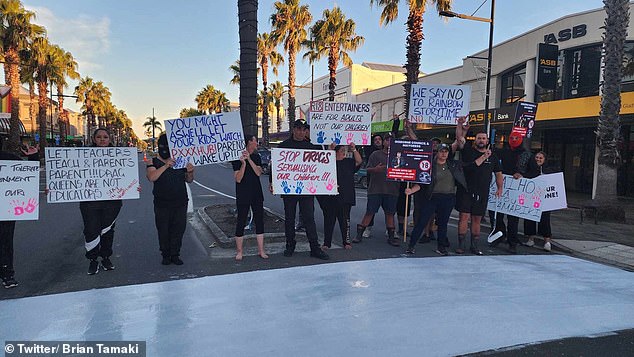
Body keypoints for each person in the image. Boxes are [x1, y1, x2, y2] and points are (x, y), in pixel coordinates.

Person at [270, 119, 329, 260]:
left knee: (309, 218)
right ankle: (290, 245)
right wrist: (272, 182)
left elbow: (323, 166)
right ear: (294, 129)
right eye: (299, 129)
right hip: (289, 190)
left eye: (304, 129)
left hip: (307, 191)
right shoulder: (283, 146)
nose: (302, 132)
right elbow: (276, 166)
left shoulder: (313, 147)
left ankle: (314, 247)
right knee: (289, 219)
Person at [404, 143, 468, 255]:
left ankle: (441, 247)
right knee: (422, 222)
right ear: (437, 153)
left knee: (443, 224)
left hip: (448, 198)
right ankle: (411, 245)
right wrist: (411, 190)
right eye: (441, 151)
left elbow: (471, 165)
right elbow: (422, 182)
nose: (444, 154)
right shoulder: (430, 166)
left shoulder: (453, 165)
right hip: (432, 197)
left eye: (446, 151)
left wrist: (484, 157)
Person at [80, 128, 124, 275]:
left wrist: (133, 187)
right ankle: (93, 260)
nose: (102, 139)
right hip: (89, 202)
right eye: (99, 137)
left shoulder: (119, 156)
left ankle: (105, 257)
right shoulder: (82, 156)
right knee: (91, 230)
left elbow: (125, 176)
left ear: (110, 139)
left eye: (105, 136)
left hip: (111, 202)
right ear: (94, 139)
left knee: (107, 230)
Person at [147, 133, 194, 265]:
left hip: (180, 202)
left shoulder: (181, 160)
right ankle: (165, 254)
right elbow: (151, 177)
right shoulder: (153, 161)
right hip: (162, 203)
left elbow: (189, 180)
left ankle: (175, 254)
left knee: (179, 229)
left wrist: (190, 171)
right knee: (163, 229)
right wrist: (166, 165)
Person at [456, 132, 503, 255]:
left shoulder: (493, 157)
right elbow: (460, 138)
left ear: (487, 141)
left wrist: (500, 188)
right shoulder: (468, 151)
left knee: (477, 219)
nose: (481, 140)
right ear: (475, 140)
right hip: (466, 190)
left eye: (483, 138)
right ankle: (461, 245)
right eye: (479, 138)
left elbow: (498, 174)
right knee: (464, 217)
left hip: (482, 192)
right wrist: (460, 126)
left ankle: (474, 246)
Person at [353, 134, 401, 246]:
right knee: (370, 212)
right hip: (376, 189)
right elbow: (367, 169)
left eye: (391, 140)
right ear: (384, 142)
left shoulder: (398, 155)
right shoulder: (375, 154)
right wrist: (376, 169)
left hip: (392, 190)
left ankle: (391, 236)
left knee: (390, 214)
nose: (389, 142)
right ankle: (359, 234)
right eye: (387, 140)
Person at [490, 132, 531, 253]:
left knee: (513, 219)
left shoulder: (527, 155)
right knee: (496, 215)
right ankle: (499, 236)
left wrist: (522, 175)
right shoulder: (503, 152)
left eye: (516, 138)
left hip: (515, 191)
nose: (513, 140)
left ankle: (512, 242)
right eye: (511, 137)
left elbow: (533, 171)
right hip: (500, 187)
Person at [232, 134, 268, 261]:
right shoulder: (237, 158)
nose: (256, 144)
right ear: (249, 142)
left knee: (259, 220)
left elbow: (258, 172)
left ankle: (261, 250)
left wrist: (250, 160)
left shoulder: (256, 156)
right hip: (243, 194)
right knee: (241, 220)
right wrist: (243, 164)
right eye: (255, 141)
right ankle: (239, 251)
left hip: (256, 193)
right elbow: (238, 178)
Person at [321, 142, 362, 250]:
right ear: (336, 152)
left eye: (345, 150)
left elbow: (359, 161)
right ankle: (327, 243)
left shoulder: (348, 162)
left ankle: (346, 242)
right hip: (330, 196)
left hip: (345, 196)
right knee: (329, 220)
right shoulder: (329, 163)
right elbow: (322, 163)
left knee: (345, 221)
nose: (344, 152)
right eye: (341, 150)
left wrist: (354, 149)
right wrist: (330, 150)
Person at [0, 143, 21, 288]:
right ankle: (7, 274)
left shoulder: (10, 159)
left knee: (5, 241)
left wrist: (33, 157)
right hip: (6, 208)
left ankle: (7, 272)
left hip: (5, 208)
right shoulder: (11, 159)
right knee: (5, 242)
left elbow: (28, 176)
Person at [523, 151, 554, 251]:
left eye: (541, 158)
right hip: (532, 199)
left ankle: (547, 241)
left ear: (544, 160)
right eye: (536, 157)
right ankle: (530, 239)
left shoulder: (549, 170)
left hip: (545, 200)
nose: (538, 159)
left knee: (545, 220)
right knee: (530, 218)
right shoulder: (529, 169)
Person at [361, 134, 384, 239]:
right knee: (371, 209)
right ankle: (367, 228)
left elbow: (394, 136)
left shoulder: (390, 151)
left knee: (390, 210)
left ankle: (391, 230)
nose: (378, 141)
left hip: (388, 185)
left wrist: (396, 121)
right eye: (375, 140)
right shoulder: (371, 151)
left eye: (380, 139)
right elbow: (365, 141)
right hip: (374, 185)